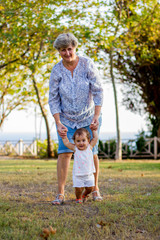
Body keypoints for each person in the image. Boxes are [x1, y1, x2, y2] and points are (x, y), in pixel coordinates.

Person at [49, 33, 103, 205]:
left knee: (91, 152)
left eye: (69, 49)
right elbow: (53, 98)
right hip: (66, 119)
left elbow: (98, 91)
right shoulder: (57, 70)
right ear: (59, 51)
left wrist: (96, 116)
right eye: (63, 50)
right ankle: (60, 193)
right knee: (64, 154)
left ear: (75, 47)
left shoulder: (87, 64)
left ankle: (95, 189)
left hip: (88, 117)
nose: (67, 53)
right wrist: (58, 122)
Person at [62, 128, 98, 203]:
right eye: (78, 141)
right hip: (78, 175)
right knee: (78, 189)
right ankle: (78, 198)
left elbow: (95, 138)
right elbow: (66, 143)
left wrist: (94, 130)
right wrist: (64, 136)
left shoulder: (89, 147)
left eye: (83, 140)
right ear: (74, 142)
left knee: (90, 188)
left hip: (89, 174)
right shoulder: (75, 149)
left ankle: (84, 194)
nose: (81, 143)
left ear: (88, 140)